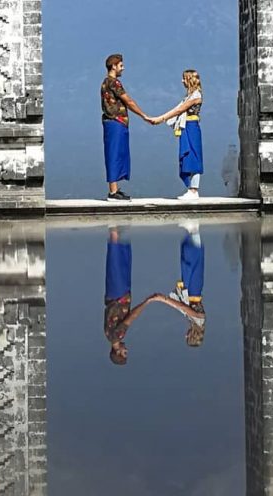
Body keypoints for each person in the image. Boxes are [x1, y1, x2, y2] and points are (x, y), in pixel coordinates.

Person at [101, 53, 153, 201]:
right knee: (114, 154)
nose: (123, 68)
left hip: (115, 122)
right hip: (115, 121)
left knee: (117, 153)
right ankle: (112, 192)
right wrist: (143, 115)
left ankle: (115, 189)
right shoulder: (113, 83)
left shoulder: (105, 82)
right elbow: (128, 101)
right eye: (121, 66)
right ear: (114, 66)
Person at [103, 226, 158, 365]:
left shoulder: (116, 336)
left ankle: (114, 233)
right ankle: (117, 235)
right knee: (121, 266)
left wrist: (147, 302)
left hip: (118, 296)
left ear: (117, 352)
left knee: (116, 266)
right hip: (115, 296)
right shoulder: (108, 336)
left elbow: (131, 317)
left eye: (124, 352)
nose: (126, 349)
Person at [147, 221, 206, 347]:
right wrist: (163, 299)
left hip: (188, 291)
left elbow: (182, 308)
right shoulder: (199, 319)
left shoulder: (193, 321)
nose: (186, 334)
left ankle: (192, 232)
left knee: (187, 262)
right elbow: (184, 307)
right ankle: (195, 230)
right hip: (194, 292)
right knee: (194, 262)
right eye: (188, 337)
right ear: (193, 335)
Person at [151, 69, 203, 201]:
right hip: (187, 127)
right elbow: (178, 108)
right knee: (188, 157)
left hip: (191, 128)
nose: (182, 81)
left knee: (193, 156)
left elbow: (179, 109)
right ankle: (190, 188)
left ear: (189, 79)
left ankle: (194, 190)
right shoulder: (189, 96)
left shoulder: (196, 96)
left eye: (184, 78)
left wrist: (160, 119)